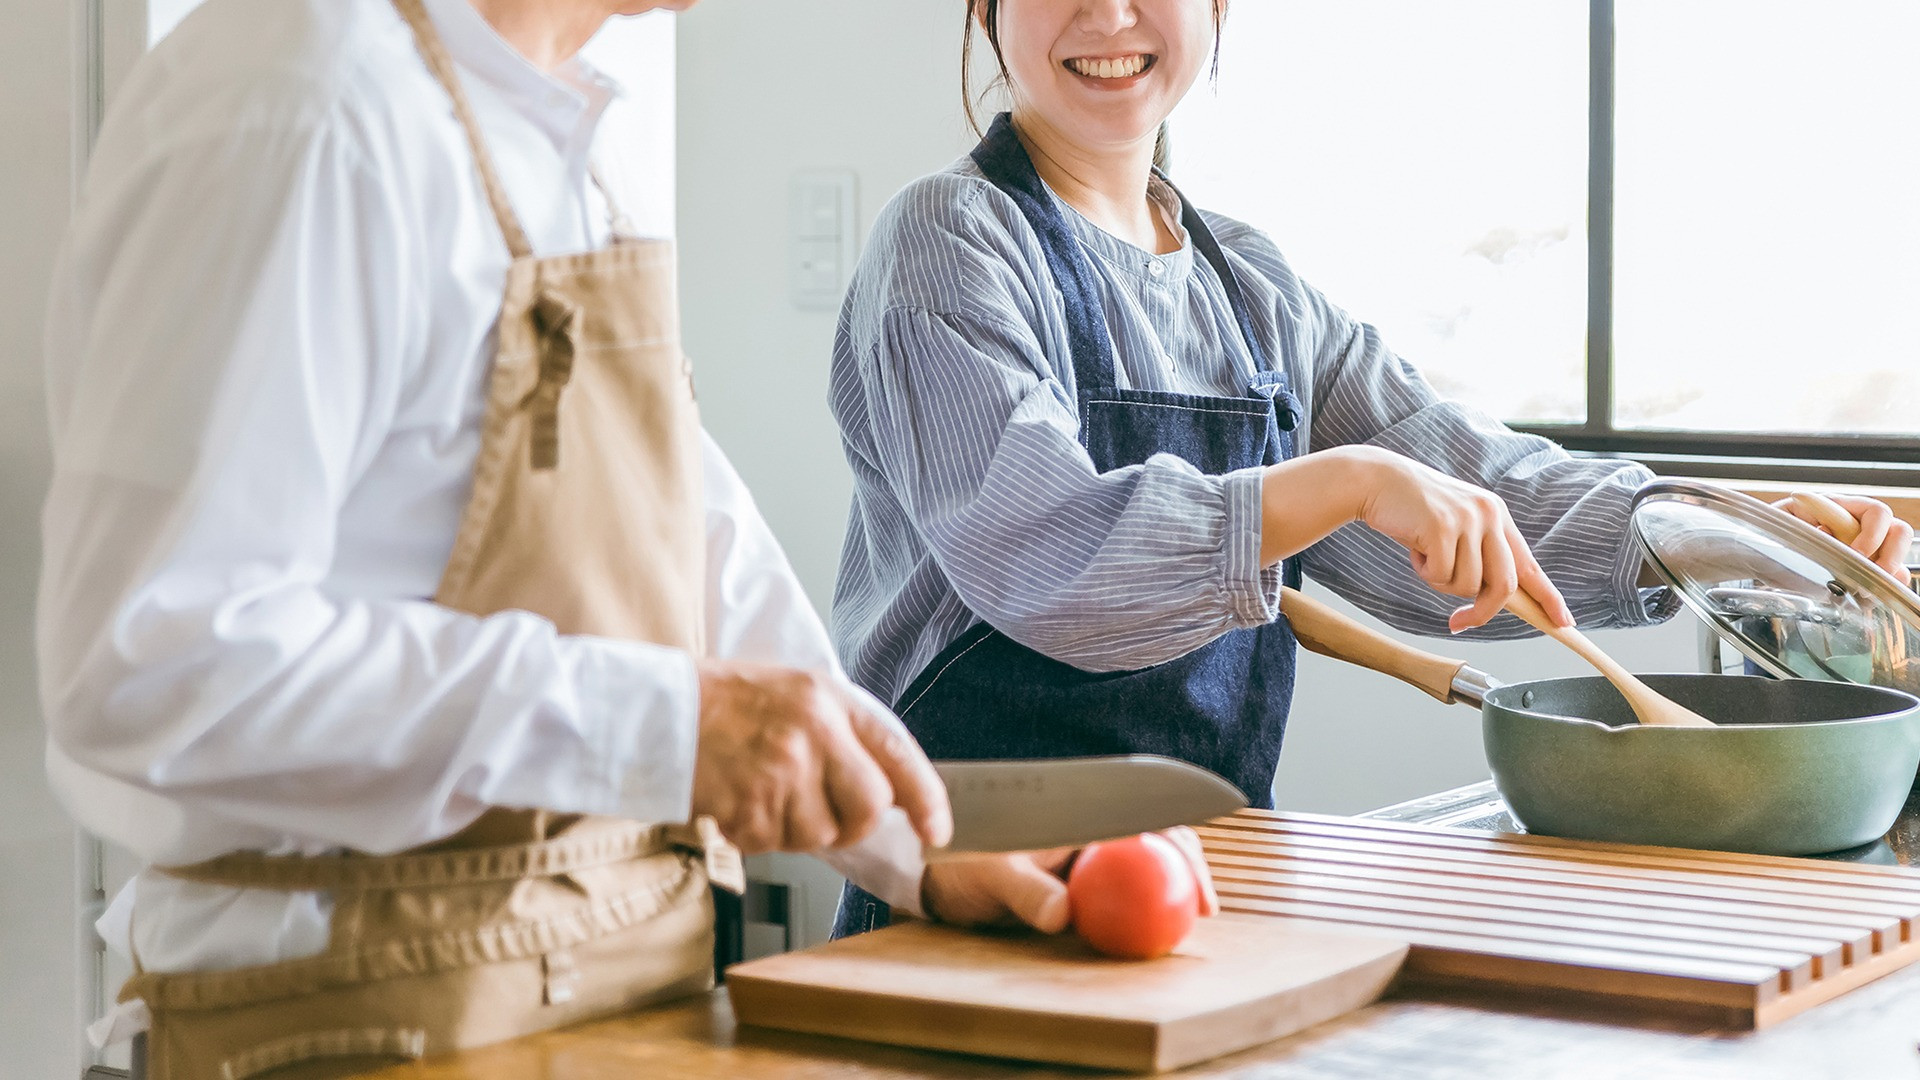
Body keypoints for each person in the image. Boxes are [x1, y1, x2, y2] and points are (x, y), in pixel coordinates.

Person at [39, 0, 1152, 1075]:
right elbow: (150, 660)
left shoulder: (576, 132)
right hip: (357, 1016)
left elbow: (691, 553)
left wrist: (917, 835)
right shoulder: (304, 103)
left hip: (615, 986)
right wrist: (669, 724)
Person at [825, 0, 1914, 937]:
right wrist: (1341, 481)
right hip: (958, 888)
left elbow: (1470, 483)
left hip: (1200, 884)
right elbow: (1050, 555)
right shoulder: (947, 241)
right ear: (984, 7)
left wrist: (1728, 531)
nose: (1109, 14)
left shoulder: (1251, 287)